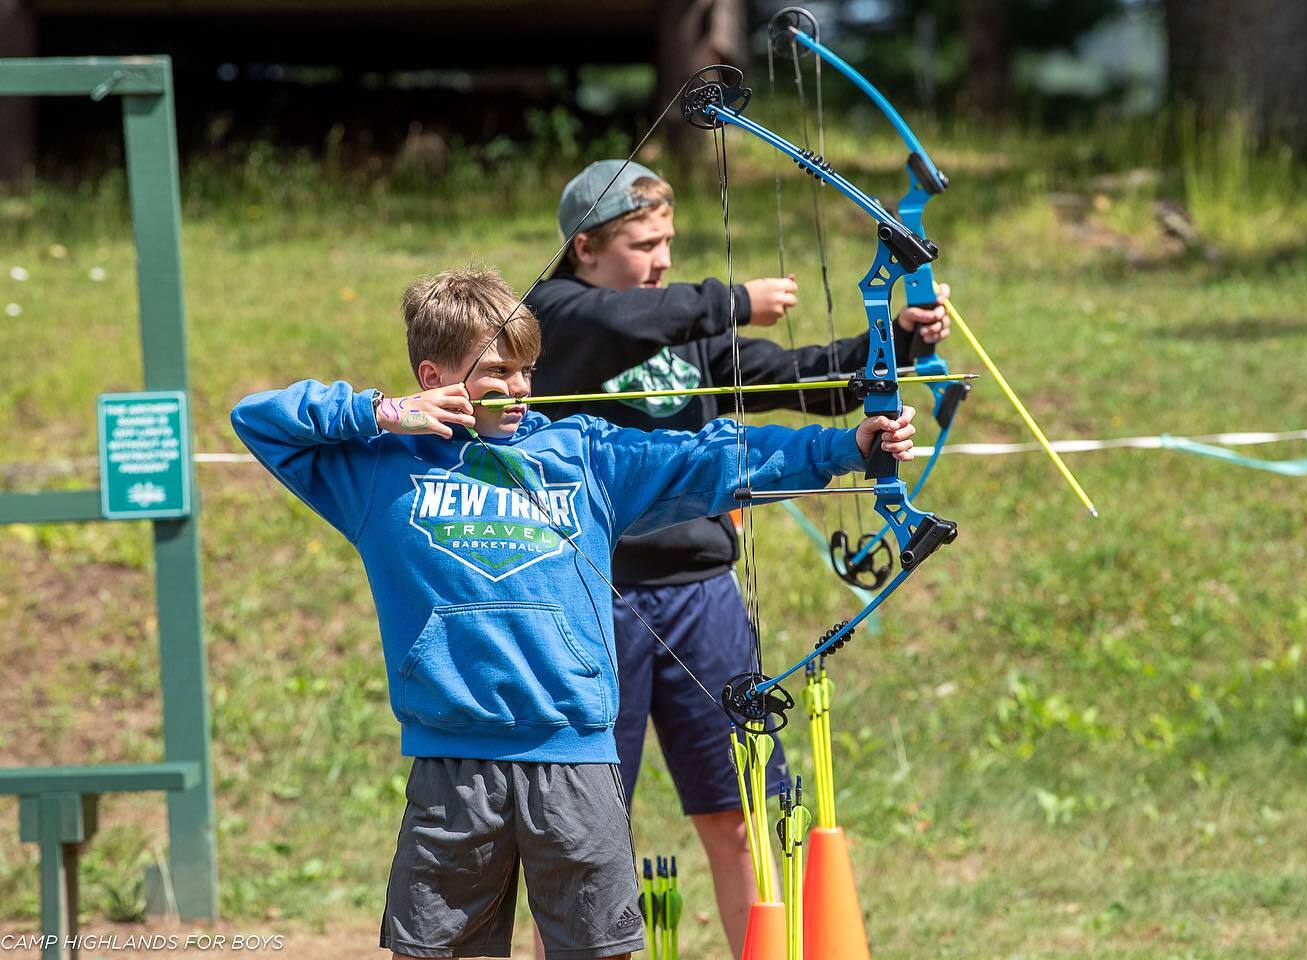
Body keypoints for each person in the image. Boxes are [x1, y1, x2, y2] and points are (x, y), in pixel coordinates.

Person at [229, 267, 919, 960]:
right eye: (499, 370)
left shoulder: (581, 452)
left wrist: (843, 449)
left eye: (528, 369)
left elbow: (706, 459)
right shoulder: (378, 469)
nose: (521, 389)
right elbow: (259, 419)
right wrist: (379, 413)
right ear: (434, 374)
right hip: (453, 766)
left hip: (577, 763)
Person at [524, 159, 950, 956]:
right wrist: (732, 300)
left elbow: (794, 376)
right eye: (643, 246)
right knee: (582, 829)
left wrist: (891, 341)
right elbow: (622, 325)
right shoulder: (552, 315)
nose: (662, 263)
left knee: (742, 807)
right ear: (583, 247)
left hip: (700, 596)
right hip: (591, 600)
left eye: (669, 244)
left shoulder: (683, 330)